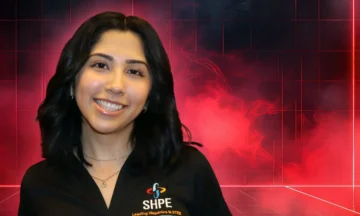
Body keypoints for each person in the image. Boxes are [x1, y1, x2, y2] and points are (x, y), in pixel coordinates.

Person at [18, 11, 231, 216]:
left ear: (150, 95)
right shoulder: (38, 182)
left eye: (134, 71)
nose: (116, 86)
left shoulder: (190, 169)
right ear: (72, 81)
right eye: (100, 65)